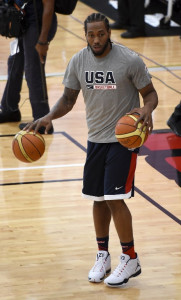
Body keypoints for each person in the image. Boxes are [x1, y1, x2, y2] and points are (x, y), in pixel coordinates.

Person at [24, 13, 158, 287]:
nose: (96, 39)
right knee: (97, 198)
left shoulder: (129, 60)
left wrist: (146, 109)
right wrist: (49, 116)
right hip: (95, 139)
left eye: (100, 34)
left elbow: (150, 94)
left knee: (114, 198)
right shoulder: (78, 61)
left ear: (109, 33)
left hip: (123, 140)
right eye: (91, 35)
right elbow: (69, 99)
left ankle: (130, 258)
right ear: (84, 35)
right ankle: (102, 255)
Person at [0, 0, 57, 134]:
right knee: (14, 63)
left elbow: (49, 6)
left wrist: (43, 41)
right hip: (23, 21)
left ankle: (42, 121)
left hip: (37, 26)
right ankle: (10, 109)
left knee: (33, 71)